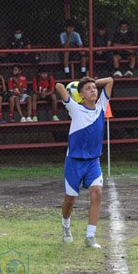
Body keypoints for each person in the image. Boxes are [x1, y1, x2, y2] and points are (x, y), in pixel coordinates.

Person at [55, 75, 114, 248]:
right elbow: (59, 86)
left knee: (97, 192)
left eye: (94, 88)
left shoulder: (101, 105)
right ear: (80, 95)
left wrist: (93, 82)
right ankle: (66, 225)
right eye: (88, 89)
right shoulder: (75, 108)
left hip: (93, 161)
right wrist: (74, 86)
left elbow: (110, 81)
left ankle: (90, 236)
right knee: (70, 199)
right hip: (74, 162)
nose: (93, 90)